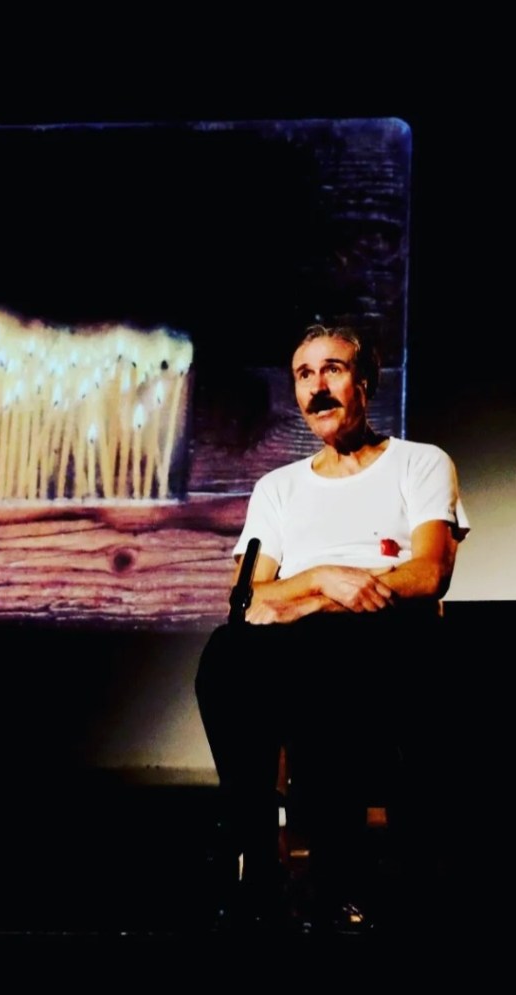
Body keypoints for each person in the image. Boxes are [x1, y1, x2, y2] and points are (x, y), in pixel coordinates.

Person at [195, 322, 470, 932]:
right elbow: (247, 598)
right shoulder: (278, 488)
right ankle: (256, 860)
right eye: (304, 375)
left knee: (320, 656)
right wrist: (324, 578)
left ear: (365, 382)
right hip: (294, 648)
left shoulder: (420, 463)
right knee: (226, 654)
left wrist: (310, 601)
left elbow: (428, 573)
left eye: (333, 370)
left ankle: (338, 880)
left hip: (390, 642)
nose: (317, 387)